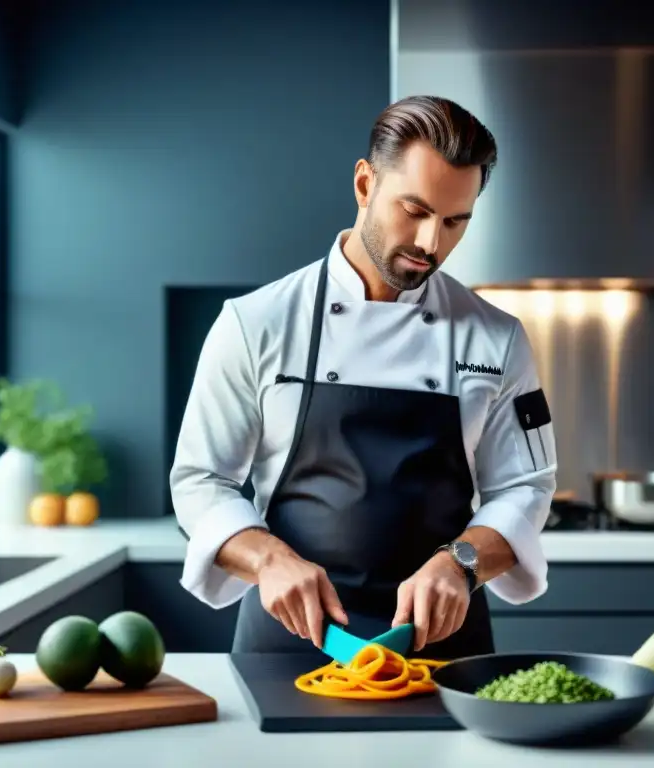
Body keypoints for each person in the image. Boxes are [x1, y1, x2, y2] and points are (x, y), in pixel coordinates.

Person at [170, 95, 558, 659]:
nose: (432, 243)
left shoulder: (496, 338)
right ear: (364, 185)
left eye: (455, 221)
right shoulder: (255, 323)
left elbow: (525, 485)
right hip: (291, 639)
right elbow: (201, 480)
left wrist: (463, 563)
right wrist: (269, 560)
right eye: (415, 210)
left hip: (443, 647)